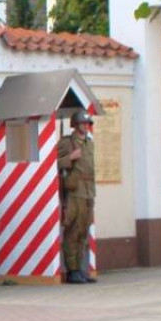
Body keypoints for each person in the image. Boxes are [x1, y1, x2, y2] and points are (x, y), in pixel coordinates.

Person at [58, 109, 97, 284]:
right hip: (75, 191)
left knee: (83, 231)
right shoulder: (68, 143)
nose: (86, 126)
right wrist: (70, 158)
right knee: (73, 231)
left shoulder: (89, 143)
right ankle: (72, 270)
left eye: (87, 124)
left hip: (89, 191)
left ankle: (81, 269)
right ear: (75, 125)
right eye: (82, 123)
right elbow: (53, 163)